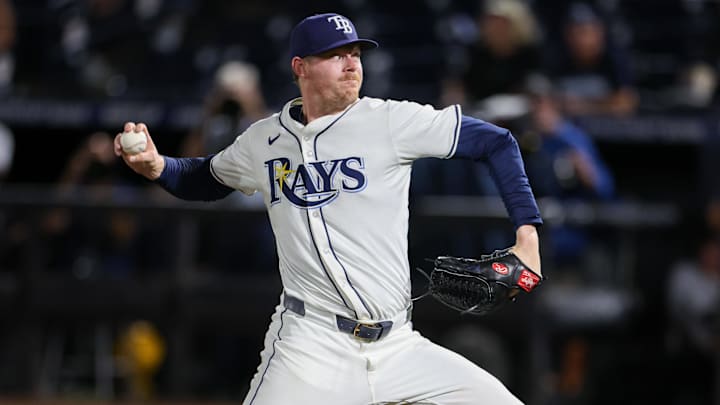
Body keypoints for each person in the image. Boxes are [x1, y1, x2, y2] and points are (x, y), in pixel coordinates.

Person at [114, 13, 542, 404]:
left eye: (354, 53)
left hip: (399, 347)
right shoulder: (264, 140)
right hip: (310, 345)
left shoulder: (390, 120)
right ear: (300, 67)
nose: (351, 64)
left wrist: (528, 237)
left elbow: (496, 142)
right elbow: (204, 177)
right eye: (335, 55)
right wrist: (157, 166)